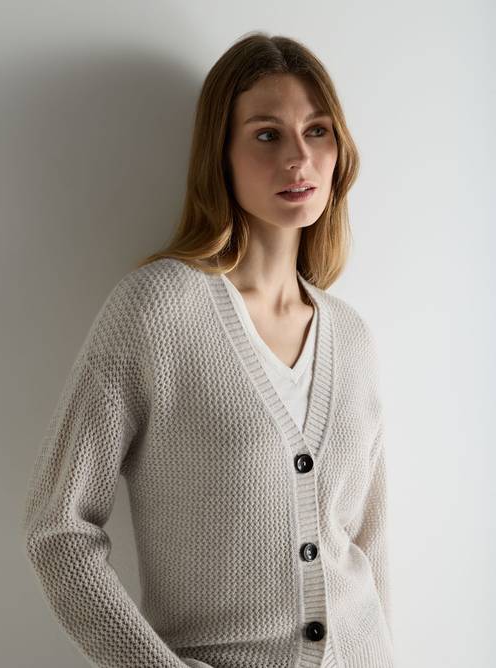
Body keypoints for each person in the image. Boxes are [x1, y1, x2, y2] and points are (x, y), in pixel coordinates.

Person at [21, 31, 394, 668]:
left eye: (318, 131)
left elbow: (370, 542)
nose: (299, 158)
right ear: (220, 154)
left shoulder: (352, 337)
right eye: (267, 134)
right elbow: (58, 526)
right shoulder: (157, 311)